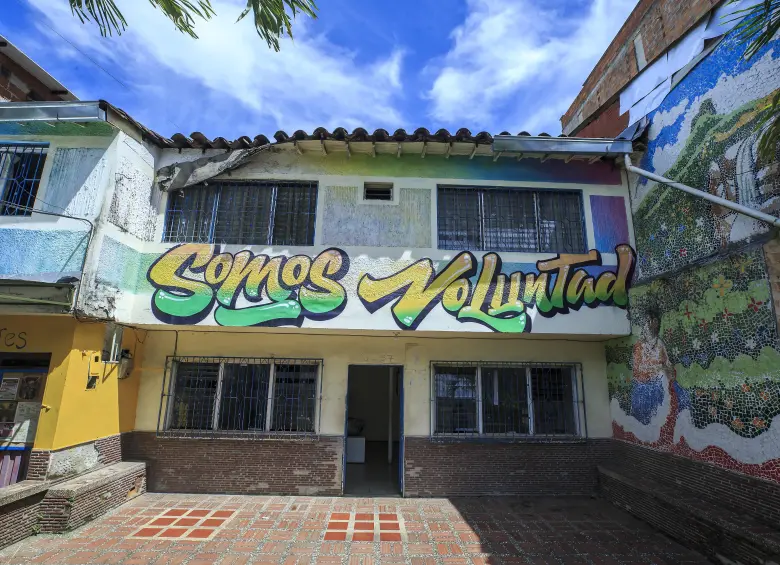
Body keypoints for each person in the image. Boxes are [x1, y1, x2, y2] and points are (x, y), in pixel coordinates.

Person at [631, 309, 687, 443]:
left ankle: (677, 430)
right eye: (649, 321)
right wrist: (657, 367)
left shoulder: (659, 343)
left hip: (662, 380)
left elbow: (667, 362)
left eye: (655, 321)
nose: (652, 325)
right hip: (646, 384)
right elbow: (638, 368)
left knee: (682, 396)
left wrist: (667, 369)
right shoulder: (639, 346)